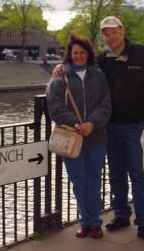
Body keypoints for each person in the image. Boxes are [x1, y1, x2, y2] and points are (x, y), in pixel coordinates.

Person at [52, 16, 144, 245]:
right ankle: (122, 214)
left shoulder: (142, 53)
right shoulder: (102, 60)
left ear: (122, 31)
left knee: (137, 173)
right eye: (106, 34)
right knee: (115, 173)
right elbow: (80, 63)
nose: (110, 37)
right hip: (110, 127)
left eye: (114, 32)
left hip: (135, 125)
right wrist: (61, 66)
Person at [46, 35, 111, 239]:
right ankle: (85, 221)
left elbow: (106, 104)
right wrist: (76, 123)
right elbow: (54, 107)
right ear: (70, 54)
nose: (79, 56)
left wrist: (92, 122)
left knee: (94, 181)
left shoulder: (98, 75)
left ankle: (96, 223)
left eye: (82, 52)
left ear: (88, 54)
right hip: (71, 138)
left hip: (96, 137)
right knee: (78, 182)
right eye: (75, 52)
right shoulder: (59, 77)